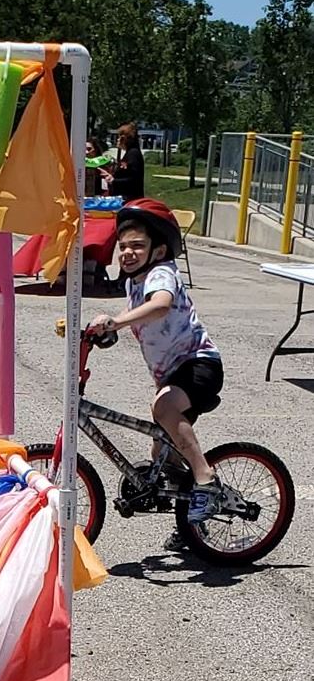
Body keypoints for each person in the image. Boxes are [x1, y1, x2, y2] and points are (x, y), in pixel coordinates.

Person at [88, 198, 223, 523]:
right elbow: (131, 315)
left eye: (138, 245)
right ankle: (192, 525)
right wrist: (104, 329)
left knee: (163, 410)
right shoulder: (135, 284)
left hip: (199, 365)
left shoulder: (162, 274)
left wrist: (117, 323)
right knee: (163, 455)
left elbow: (160, 305)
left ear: (159, 252)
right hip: (174, 375)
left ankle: (207, 480)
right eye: (122, 246)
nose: (127, 253)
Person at [109, 122, 145, 199]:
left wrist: (114, 181)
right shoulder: (129, 153)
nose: (117, 140)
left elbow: (134, 179)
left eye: (119, 137)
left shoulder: (133, 154)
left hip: (130, 199)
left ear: (124, 139)